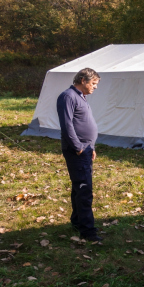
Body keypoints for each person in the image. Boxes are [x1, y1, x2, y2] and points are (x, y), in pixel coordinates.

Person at [57, 68, 103, 244]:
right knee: (84, 190)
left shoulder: (81, 97)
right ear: (83, 80)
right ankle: (87, 231)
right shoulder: (68, 96)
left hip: (85, 149)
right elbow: (67, 125)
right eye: (93, 83)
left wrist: (90, 147)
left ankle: (77, 221)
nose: (95, 87)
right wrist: (78, 147)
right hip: (77, 150)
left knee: (79, 186)